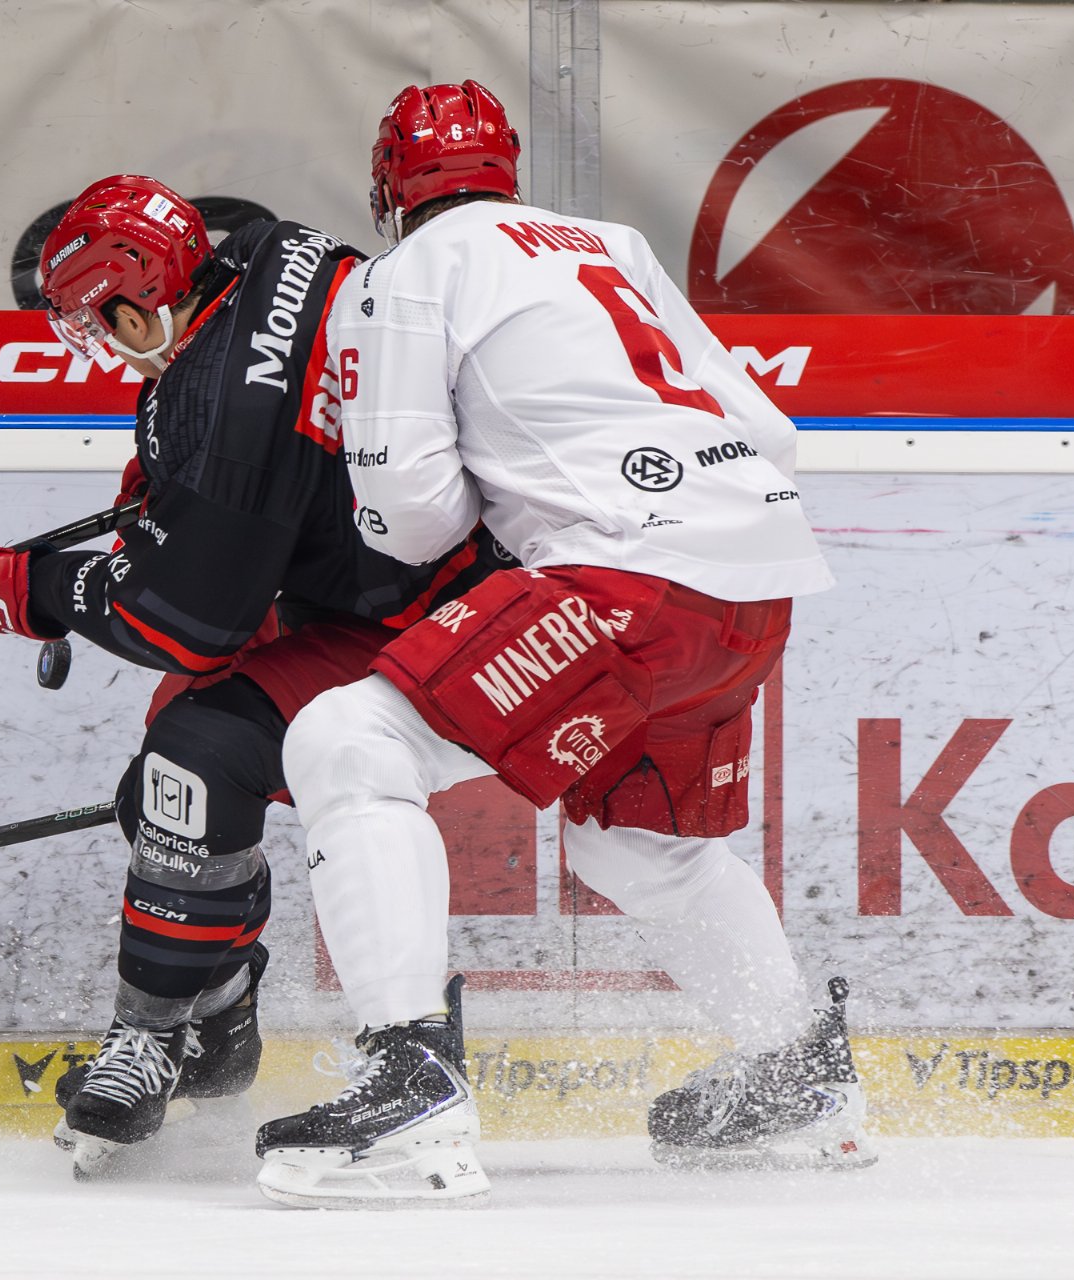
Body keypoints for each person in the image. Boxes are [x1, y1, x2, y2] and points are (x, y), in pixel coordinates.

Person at [253, 81, 873, 1208]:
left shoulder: (405, 272)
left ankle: (409, 1093)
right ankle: (797, 1074)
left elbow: (411, 516)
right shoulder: (611, 242)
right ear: (507, 169)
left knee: (348, 741)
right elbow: (768, 430)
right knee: (638, 849)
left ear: (391, 189)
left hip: (622, 579)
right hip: (755, 585)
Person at [0, 174, 500, 1175]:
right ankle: (216, 1012)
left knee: (195, 754)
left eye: (99, 324)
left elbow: (186, 621)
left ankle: (151, 1035)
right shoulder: (276, 262)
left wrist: (9, 587)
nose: (106, 345)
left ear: (137, 308)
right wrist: (171, 497)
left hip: (458, 627)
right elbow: (261, 505)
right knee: (164, 787)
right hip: (418, 596)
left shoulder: (221, 397)